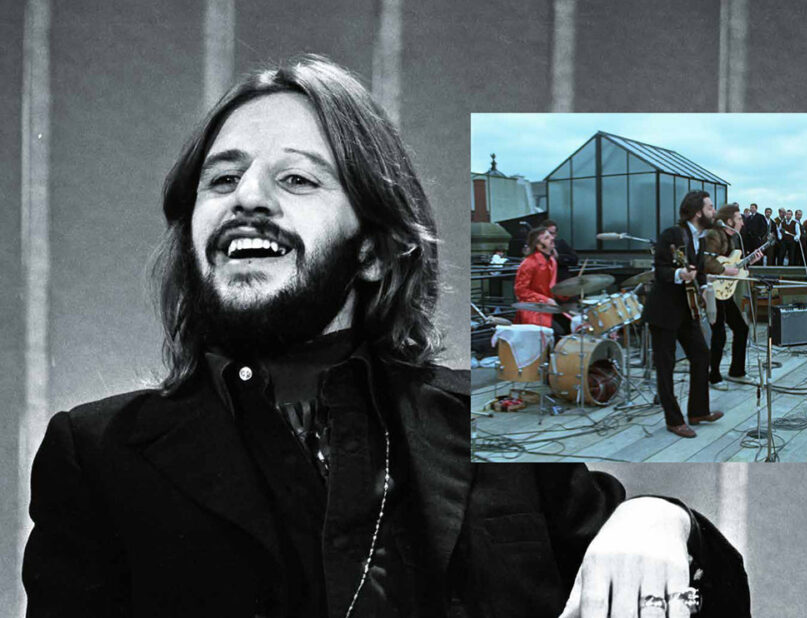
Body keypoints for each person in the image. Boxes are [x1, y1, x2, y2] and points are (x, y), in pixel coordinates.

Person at [22, 55, 749, 618]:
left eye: (298, 180)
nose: (247, 197)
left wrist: (659, 521)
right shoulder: (98, 457)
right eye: (221, 180)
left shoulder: (488, 433)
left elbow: (713, 597)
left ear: (373, 248)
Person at [641, 190, 724, 439]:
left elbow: (697, 271)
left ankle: (698, 411)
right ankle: (673, 420)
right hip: (664, 311)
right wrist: (679, 275)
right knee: (665, 368)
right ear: (698, 211)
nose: (713, 211)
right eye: (710, 207)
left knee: (701, 355)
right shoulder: (673, 234)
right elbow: (660, 270)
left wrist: (704, 285)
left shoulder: (699, 238)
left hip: (687, 310)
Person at [702, 205, 761, 391]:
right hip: (712, 289)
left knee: (741, 328)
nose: (743, 222)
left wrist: (749, 262)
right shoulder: (714, 234)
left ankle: (737, 371)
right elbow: (708, 261)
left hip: (724, 292)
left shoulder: (732, 239)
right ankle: (714, 376)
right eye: (739, 218)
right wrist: (726, 270)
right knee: (718, 333)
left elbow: (735, 265)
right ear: (729, 221)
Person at [514, 226, 564, 334]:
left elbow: (551, 288)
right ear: (538, 244)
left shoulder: (552, 261)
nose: (551, 238)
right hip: (534, 311)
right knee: (558, 333)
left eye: (550, 235)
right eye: (546, 237)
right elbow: (521, 291)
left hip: (549, 307)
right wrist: (545, 300)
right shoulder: (529, 263)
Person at [541, 218, 578, 282]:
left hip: (559, 281)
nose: (551, 237)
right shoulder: (537, 246)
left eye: (553, 234)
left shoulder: (561, 244)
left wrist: (558, 257)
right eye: (549, 233)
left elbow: (575, 259)